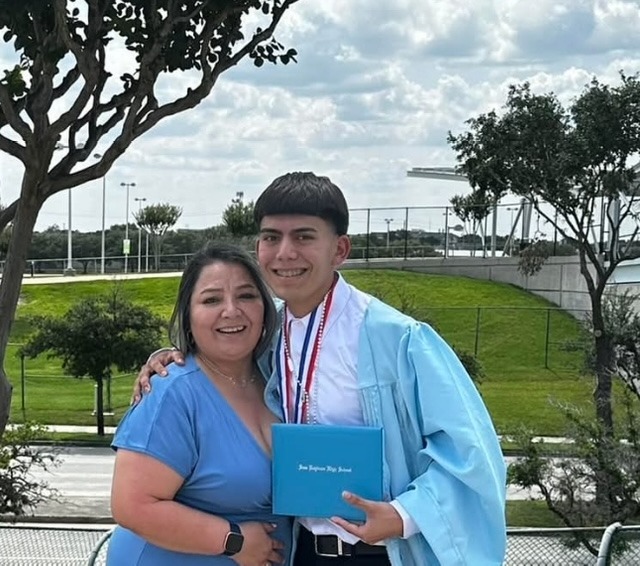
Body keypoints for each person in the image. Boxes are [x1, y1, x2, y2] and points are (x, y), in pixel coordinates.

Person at [136, 172, 507, 565]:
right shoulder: (265, 332)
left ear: (340, 249)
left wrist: (402, 515)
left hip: (381, 554)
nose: (285, 253)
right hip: (301, 552)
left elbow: (472, 455)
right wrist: (174, 354)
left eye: (304, 237)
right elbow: (218, 356)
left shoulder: (396, 340)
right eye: (271, 237)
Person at [108, 243, 290, 566]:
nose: (231, 310)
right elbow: (131, 505)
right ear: (188, 316)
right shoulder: (171, 392)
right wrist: (233, 540)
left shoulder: (280, 379)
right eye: (211, 300)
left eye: (246, 295)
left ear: (265, 308)